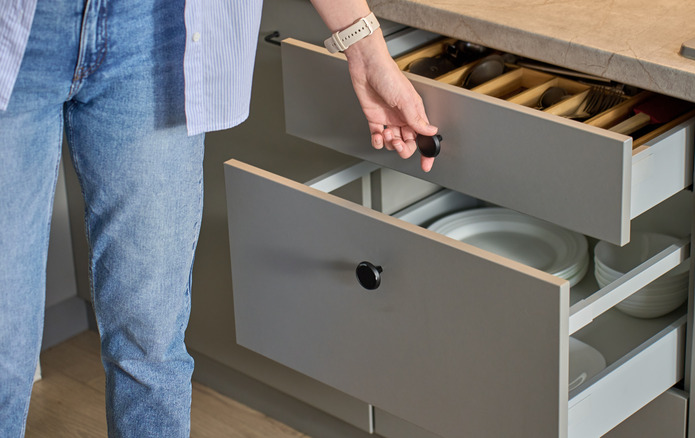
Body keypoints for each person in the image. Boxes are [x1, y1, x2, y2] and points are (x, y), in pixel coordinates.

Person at [0, 0, 437, 435]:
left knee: (150, 341)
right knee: (5, 352)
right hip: (17, 25)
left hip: (153, 29)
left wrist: (365, 46)